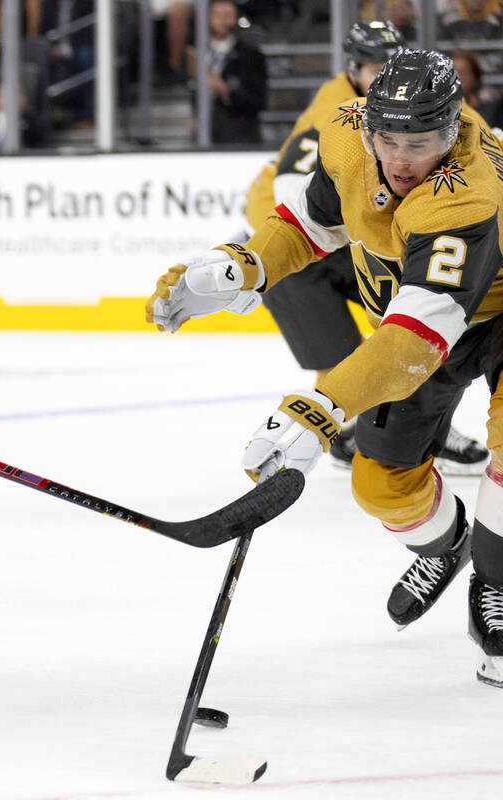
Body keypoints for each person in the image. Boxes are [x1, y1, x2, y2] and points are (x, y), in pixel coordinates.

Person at [148, 49, 503, 685]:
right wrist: (244, 267)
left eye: (418, 144)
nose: (399, 160)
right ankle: (449, 544)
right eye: (387, 139)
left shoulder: (466, 193)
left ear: (451, 134)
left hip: (484, 316)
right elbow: (311, 225)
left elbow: (417, 341)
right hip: (422, 320)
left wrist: (323, 406)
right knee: (379, 485)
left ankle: (498, 580)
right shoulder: (344, 132)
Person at [244, 21, 489, 475]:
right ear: (353, 69)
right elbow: (299, 198)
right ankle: (343, 431)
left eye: (387, 64)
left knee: (409, 324)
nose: (383, 75)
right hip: (299, 249)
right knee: (365, 344)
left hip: (343, 236)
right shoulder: (337, 112)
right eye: (372, 67)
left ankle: (414, 428)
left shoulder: (409, 103)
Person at [195, 0, 266, 145]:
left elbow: (258, 100)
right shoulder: (197, 51)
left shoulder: (251, 55)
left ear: (235, 18)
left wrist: (227, 92)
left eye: (227, 15)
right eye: (218, 15)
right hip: (204, 133)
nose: (223, 20)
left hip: (240, 135)